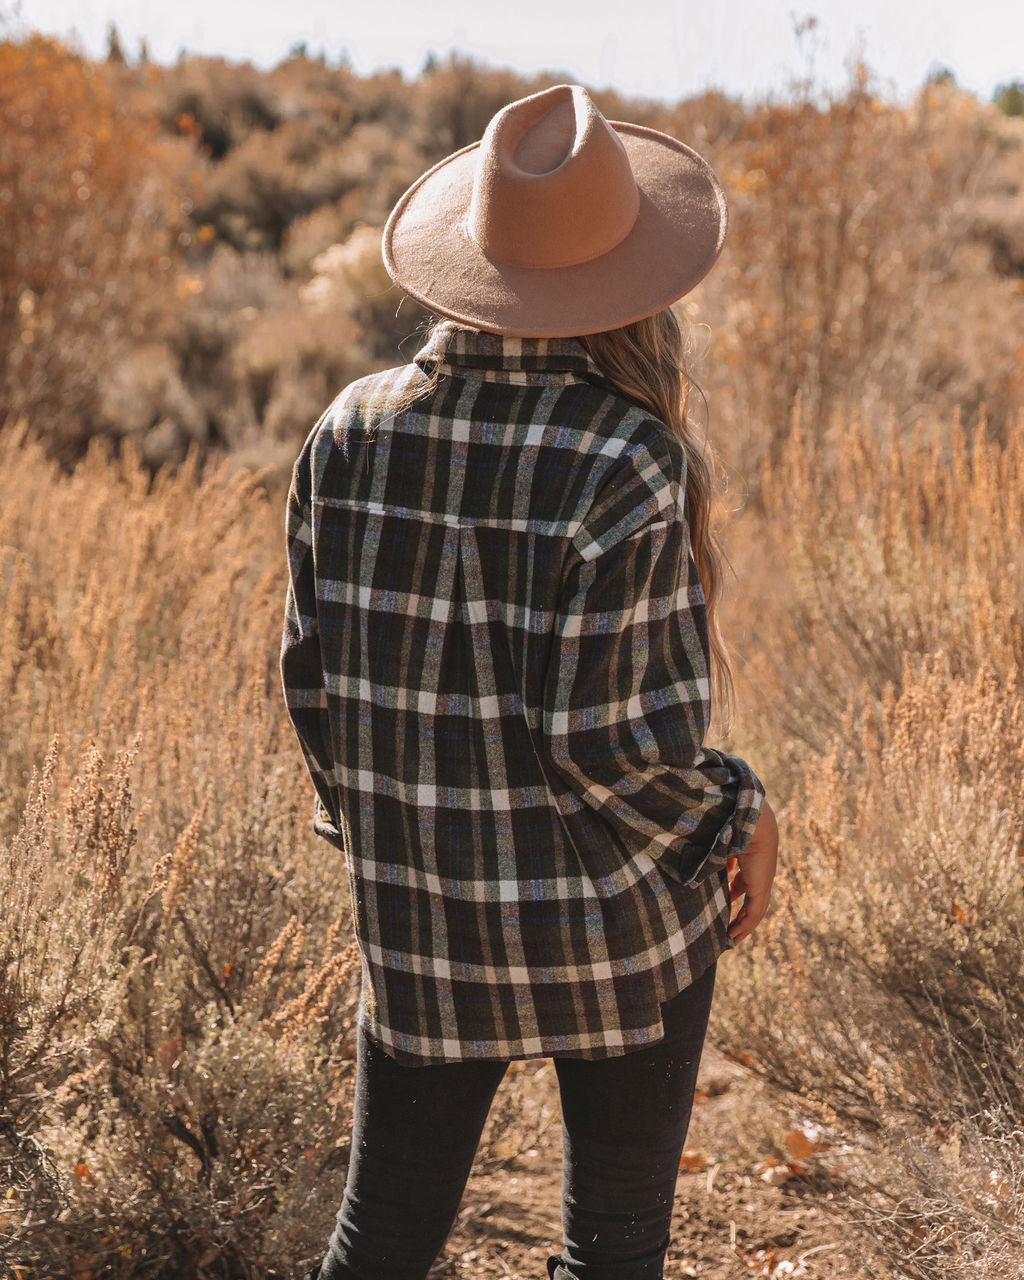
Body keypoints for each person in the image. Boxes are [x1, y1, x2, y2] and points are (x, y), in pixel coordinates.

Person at [282, 83, 779, 1280]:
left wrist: (391, 844)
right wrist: (741, 808)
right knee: (608, 1252)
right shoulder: (627, 456)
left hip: (421, 918)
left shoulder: (348, 431)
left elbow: (313, 688)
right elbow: (620, 751)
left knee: (380, 1244)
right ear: (631, 287)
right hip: (616, 926)